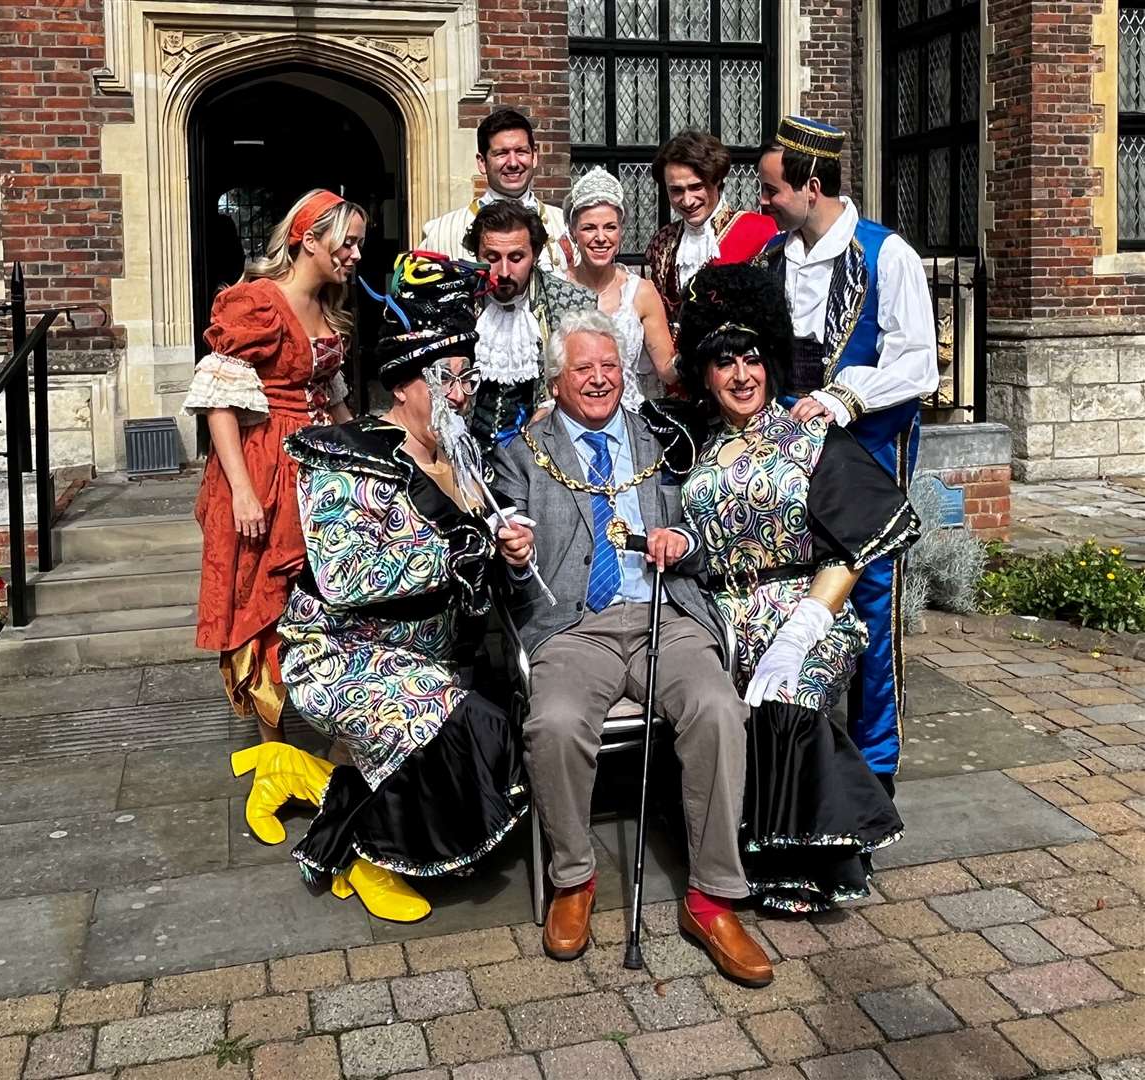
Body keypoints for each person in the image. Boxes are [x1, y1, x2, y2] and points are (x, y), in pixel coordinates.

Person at [232, 252, 527, 923]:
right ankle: (364, 855)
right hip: (341, 653)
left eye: (467, 378)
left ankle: (298, 773)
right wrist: (455, 551)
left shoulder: (465, 455)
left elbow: (480, 552)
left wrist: (507, 546)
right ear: (404, 385)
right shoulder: (347, 455)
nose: (461, 394)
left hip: (434, 652)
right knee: (456, 724)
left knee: (498, 724)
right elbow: (348, 572)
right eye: (446, 380)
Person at [491, 310, 773, 988]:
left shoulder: (660, 441)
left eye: (609, 366)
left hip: (660, 613)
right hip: (572, 628)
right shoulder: (519, 453)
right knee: (554, 725)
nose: (598, 379)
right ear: (555, 381)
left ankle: (711, 898)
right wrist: (511, 551)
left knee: (716, 707)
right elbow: (499, 551)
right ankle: (574, 879)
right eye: (582, 368)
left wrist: (682, 542)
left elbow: (699, 528)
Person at [676, 263, 918, 911]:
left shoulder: (808, 435)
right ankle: (740, 852)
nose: (740, 375)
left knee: (787, 696)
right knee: (719, 708)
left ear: (770, 360)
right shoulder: (689, 448)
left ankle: (819, 856)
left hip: (806, 612)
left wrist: (805, 626)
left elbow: (856, 540)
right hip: (717, 621)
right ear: (703, 374)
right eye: (722, 362)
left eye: (750, 358)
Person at [756, 116, 938, 795]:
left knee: (868, 598)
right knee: (789, 598)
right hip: (788, 456)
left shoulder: (883, 253)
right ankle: (799, 758)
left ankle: (874, 767)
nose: (763, 203)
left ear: (809, 185)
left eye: (771, 190)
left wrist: (840, 399)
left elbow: (918, 364)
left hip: (863, 453)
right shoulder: (773, 258)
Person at [185, 189, 362, 743]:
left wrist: (366, 454)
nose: (356, 253)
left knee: (325, 595)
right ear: (308, 240)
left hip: (317, 466)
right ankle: (273, 748)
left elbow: (332, 397)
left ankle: (336, 728)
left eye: (358, 242)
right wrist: (240, 491)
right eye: (348, 242)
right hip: (263, 464)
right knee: (265, 599)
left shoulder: (328, 308)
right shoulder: (257, 302)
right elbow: (219, 401)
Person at [463, 200, 594, 451]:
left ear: (534, 254)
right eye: (491, 257)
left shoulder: (574, 304)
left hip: (541, 455)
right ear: (477, 255)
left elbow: (588, 381)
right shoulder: (457, 301)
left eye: (516, 258)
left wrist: (554, 407)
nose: (503, 271)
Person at [645, 130, 778, 332]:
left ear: (716, 180)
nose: (687, 201)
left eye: (696, 187)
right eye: (676, 190)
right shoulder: (663, 242)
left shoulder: (760, 231)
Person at [564, 166, 676, 404]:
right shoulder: (556, 287)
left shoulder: (641, 292)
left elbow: (667, 370)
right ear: (573, 232)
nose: (601, 237)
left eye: (610, 227)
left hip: (626, 414)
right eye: (589, 228)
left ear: (621, 231)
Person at [423, 107, 570, 271]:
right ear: (482, 162)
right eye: (501, 153)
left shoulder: (565, 226)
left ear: (534, 156)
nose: (513, 163)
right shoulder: (442, 233)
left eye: (521, 151)